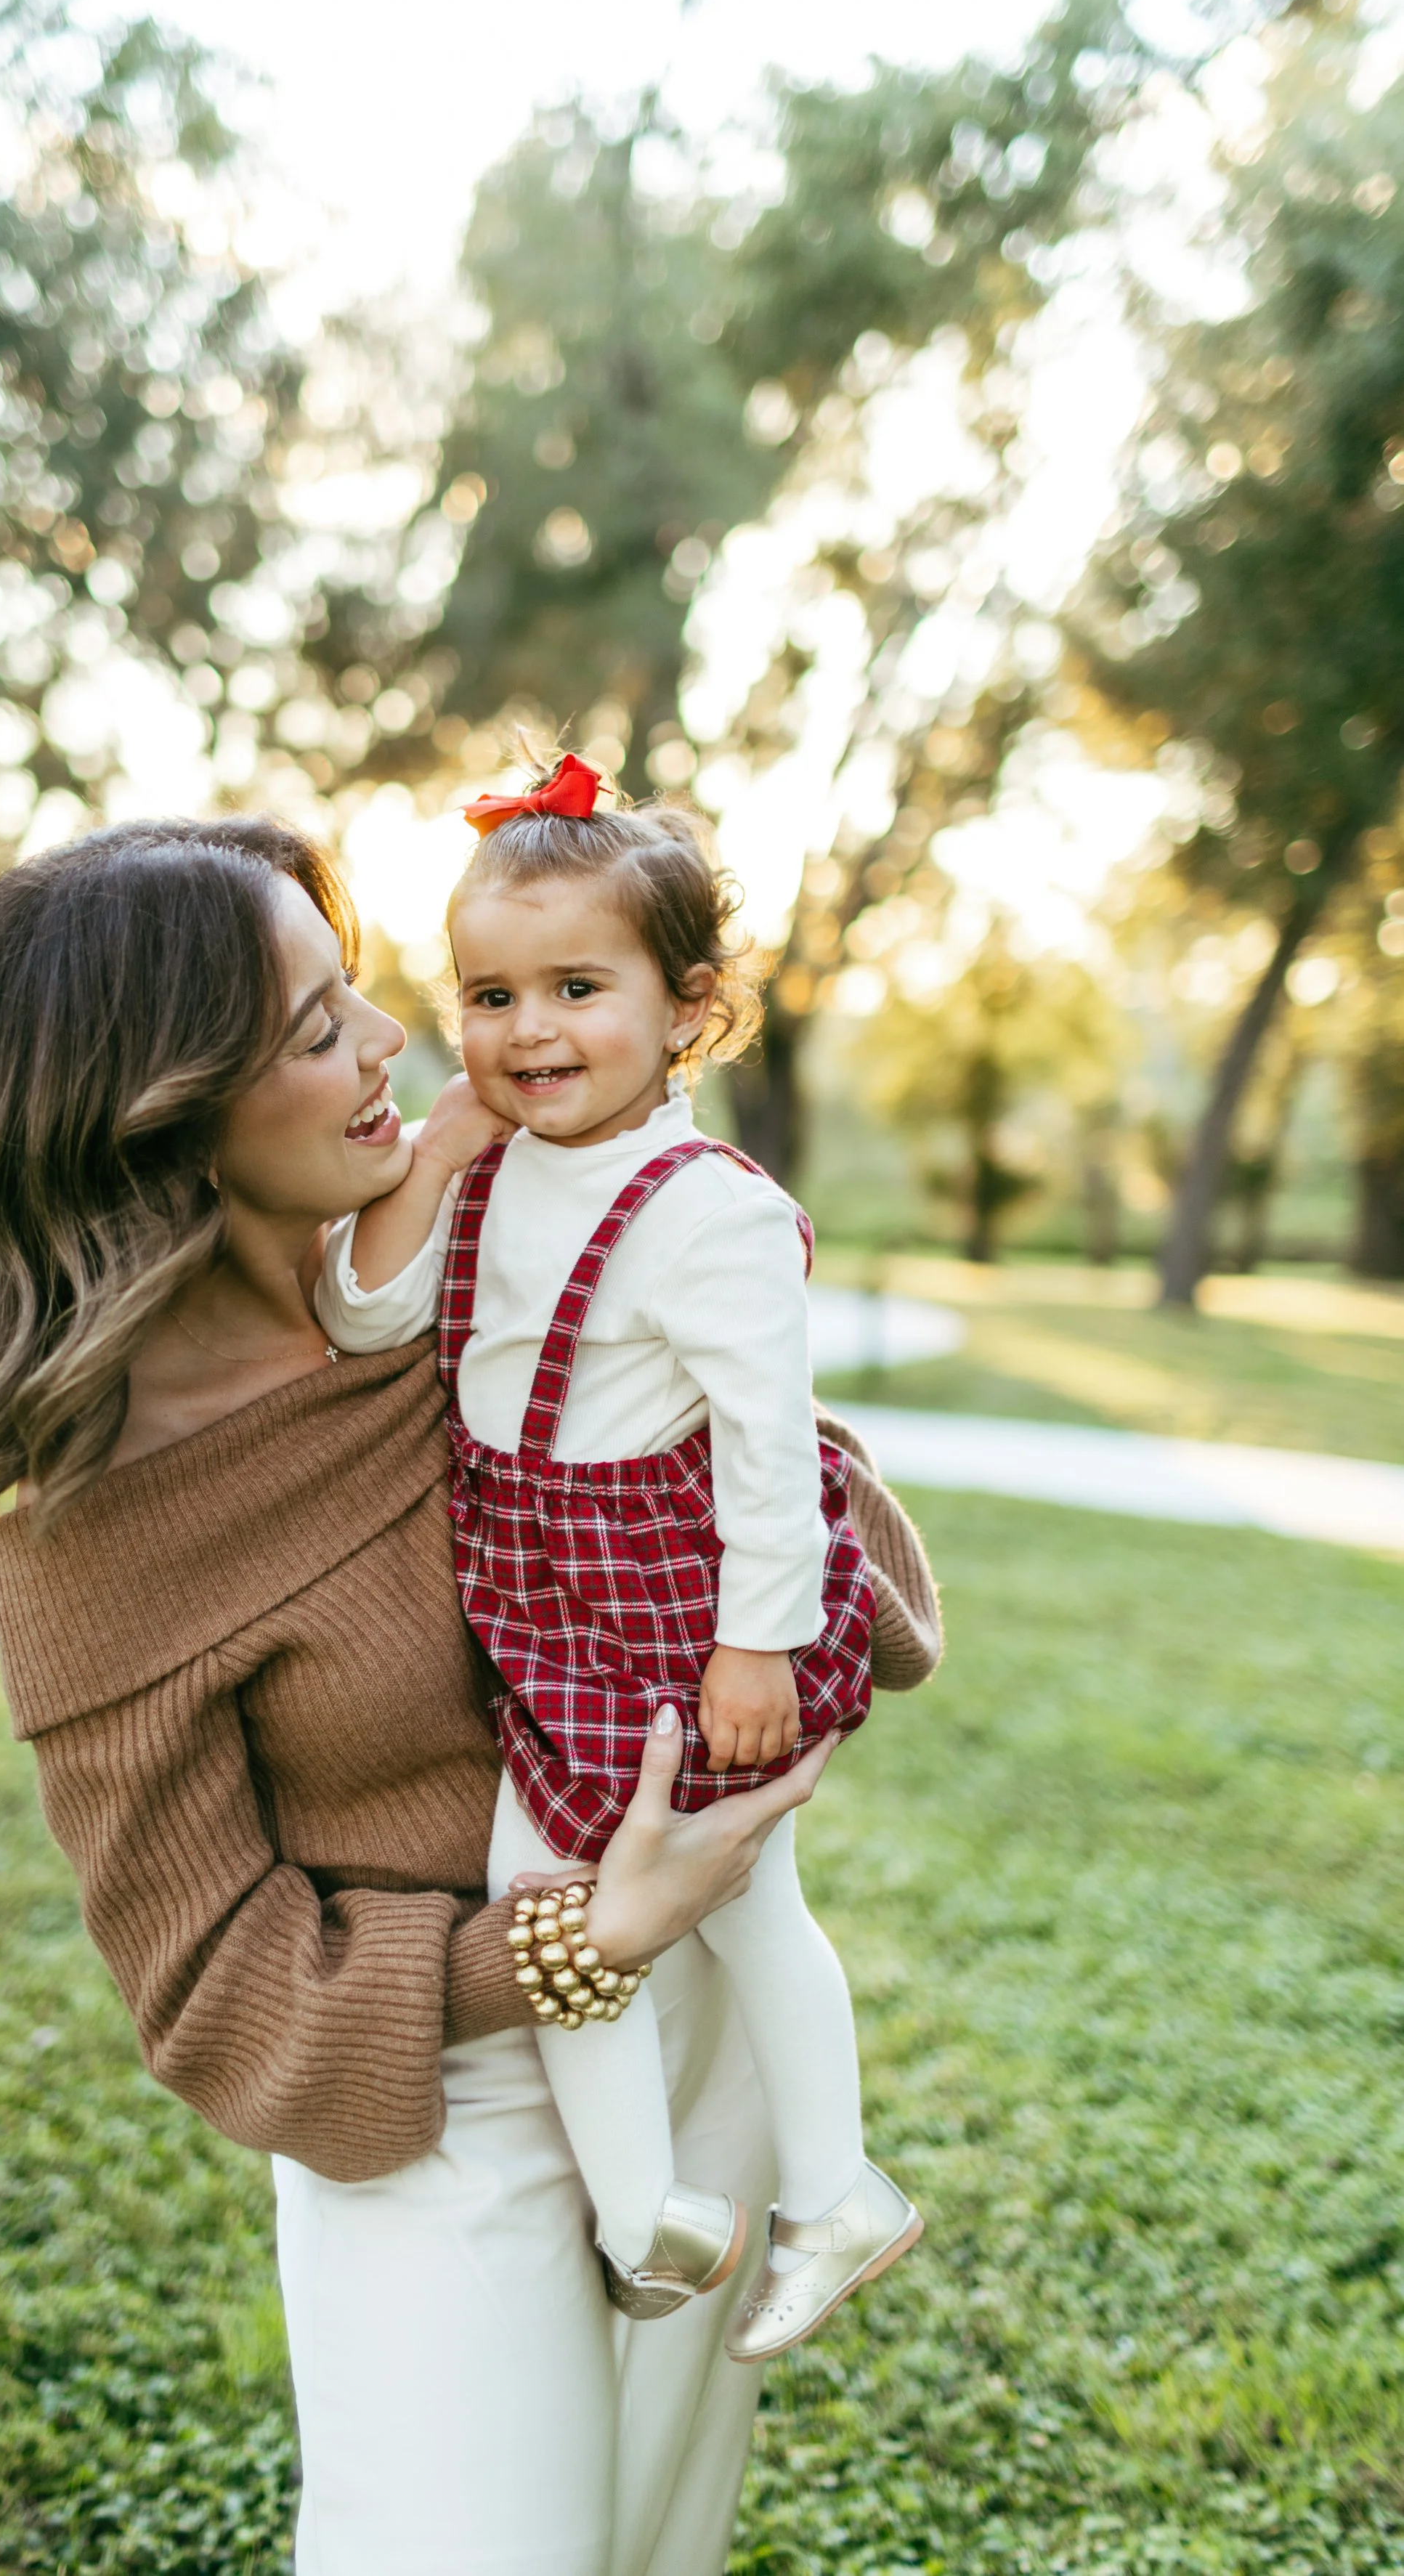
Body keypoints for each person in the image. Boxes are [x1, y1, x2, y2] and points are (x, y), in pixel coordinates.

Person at [0, 814, 940, 2576]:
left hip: (697, 2040)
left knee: (648, 2540)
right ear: (166, 1113)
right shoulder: (99, 1522)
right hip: (442, 2115)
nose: (399, 1040)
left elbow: (864, 1585)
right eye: (318, 1029)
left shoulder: (468, 1269)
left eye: (361, 993)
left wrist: (680, 1336)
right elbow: (212, 1988)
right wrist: (571, 1940)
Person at [315, 753, 921, 2359]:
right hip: (541, 1613)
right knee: (558, 1905)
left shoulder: (704, 1210)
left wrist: (756, 1644)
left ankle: (826, 2190)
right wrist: (430, 1158)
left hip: (673, 1610)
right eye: (488, 993)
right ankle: (650, 2211)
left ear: (687, 1007)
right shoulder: (491, 1166)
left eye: (577, 987)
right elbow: (364, 1311)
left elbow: (768, 1454)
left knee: (730, 1904)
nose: (526, 1032)